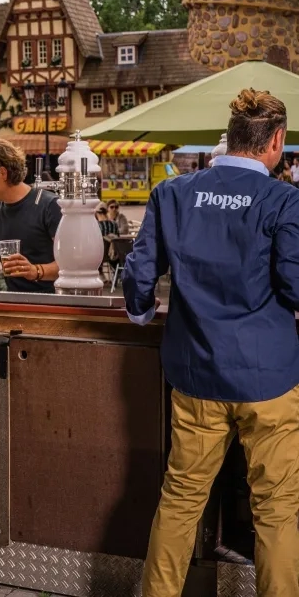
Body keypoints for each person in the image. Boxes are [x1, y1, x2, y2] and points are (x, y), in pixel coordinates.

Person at [124, 88, 299, 597]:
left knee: (181, 498)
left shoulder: (173, 193)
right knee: (277, 508)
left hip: (196, 370)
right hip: (269, 378)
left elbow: (139, 278)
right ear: (277, 142)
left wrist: (140, 313)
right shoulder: (285, 199)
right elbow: (294, 284)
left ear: (233, 137)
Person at [0, 139, 62, 294]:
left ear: (2, 173)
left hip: (56, 305)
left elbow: (73, 265)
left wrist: (36, 271)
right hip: (14, 307)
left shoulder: (50, 206)